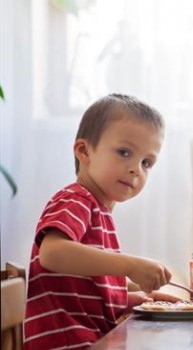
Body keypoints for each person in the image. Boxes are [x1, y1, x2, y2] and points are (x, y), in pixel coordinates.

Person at [24, 94, 180, 350]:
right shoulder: (75, 199)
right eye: (124, 152)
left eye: (146, 163)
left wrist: (136, 295)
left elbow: (87, 285)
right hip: (68, 342)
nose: (136, 169)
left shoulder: (97, 211)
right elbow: (52, 254)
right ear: (84, 151)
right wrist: (130, 264)